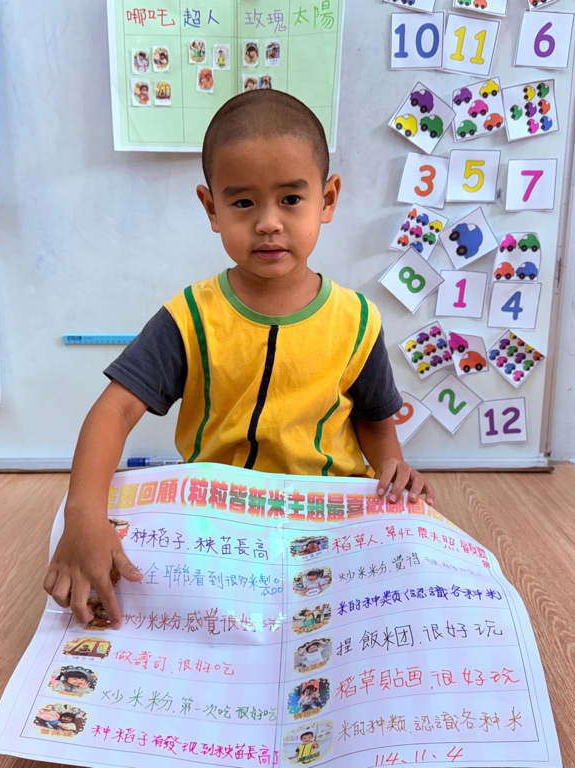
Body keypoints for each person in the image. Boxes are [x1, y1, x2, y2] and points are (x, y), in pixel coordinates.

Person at [44, 90, 434, 629]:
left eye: (291, 199)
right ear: (212, 208)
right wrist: (83, 514)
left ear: (327, 199)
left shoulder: (358, 319)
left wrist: (392, 464)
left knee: (410, 590)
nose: (268, 222)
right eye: (244, 203)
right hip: (219, 522)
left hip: (326, 516)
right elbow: (115, 409)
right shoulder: (190, 317)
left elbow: (373, 418)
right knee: (127, 586)